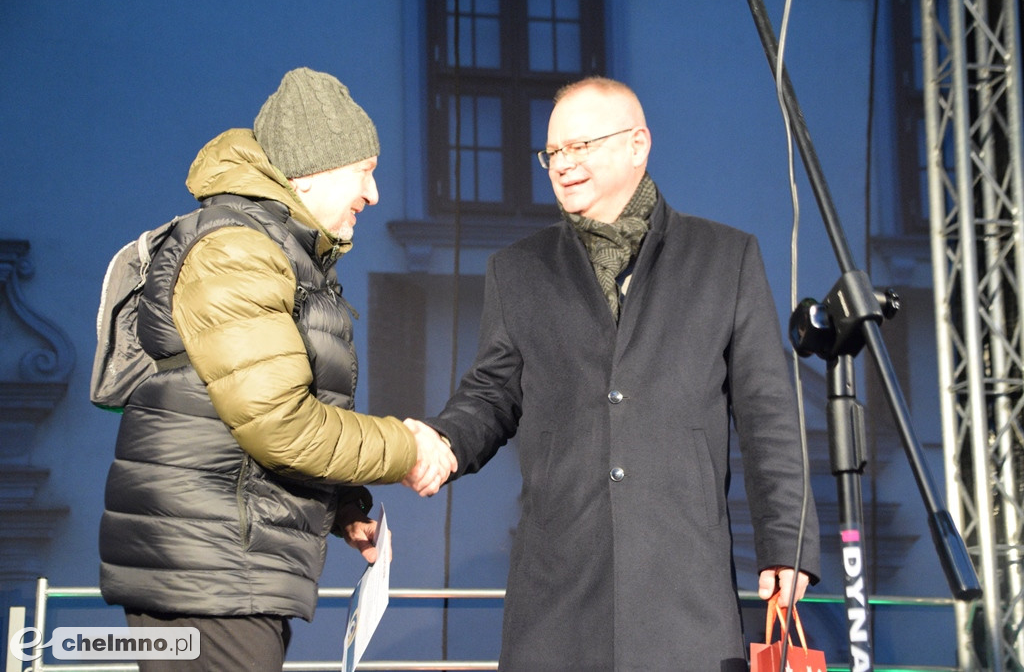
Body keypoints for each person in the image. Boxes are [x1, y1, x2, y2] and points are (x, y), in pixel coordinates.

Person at [404, 76, 820, 671]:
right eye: (553, 152)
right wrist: (445, 442)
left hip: (684, 583)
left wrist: (788, 544)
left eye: (581, 147)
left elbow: (768, 412)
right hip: (559, 584)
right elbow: (492, 392)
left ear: (637, 145)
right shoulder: (518, 270)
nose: (563, 164)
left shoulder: (724, 258)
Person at [98, 67, 456, 671]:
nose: (374, 194)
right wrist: (406, 445)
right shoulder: (238, 250)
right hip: (207, 579)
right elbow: (279, 424)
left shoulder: (274, 250)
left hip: (220, 573)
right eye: (365, 171)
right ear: (310, 172)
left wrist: (340, 506)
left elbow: (240, 418)